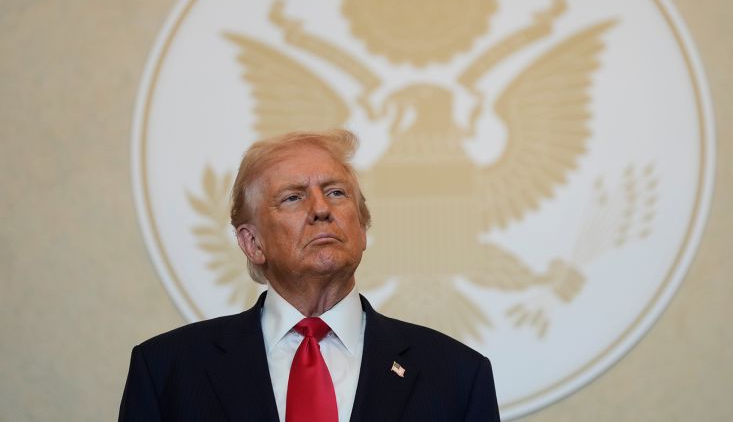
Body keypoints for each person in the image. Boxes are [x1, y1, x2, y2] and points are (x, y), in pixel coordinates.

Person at [119, 130, 500, 421]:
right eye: (293, 197)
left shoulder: (457, 375)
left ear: (362, 228)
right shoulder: (168, 371)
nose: (321, 209)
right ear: (252, 243)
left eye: (336, 193)